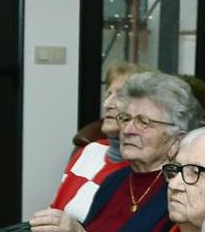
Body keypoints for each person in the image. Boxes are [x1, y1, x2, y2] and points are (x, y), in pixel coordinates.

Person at [29, 71, 204, 232]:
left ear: (176, 139)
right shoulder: (116, 180)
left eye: (144, 122)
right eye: (126, 119)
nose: (128, 130)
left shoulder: (179, 192)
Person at [48, 61, 148, 222]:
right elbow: (54, 212)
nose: (107, 104)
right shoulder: (89, 150)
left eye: (120, 96)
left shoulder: (144, 169)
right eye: (108, 94)